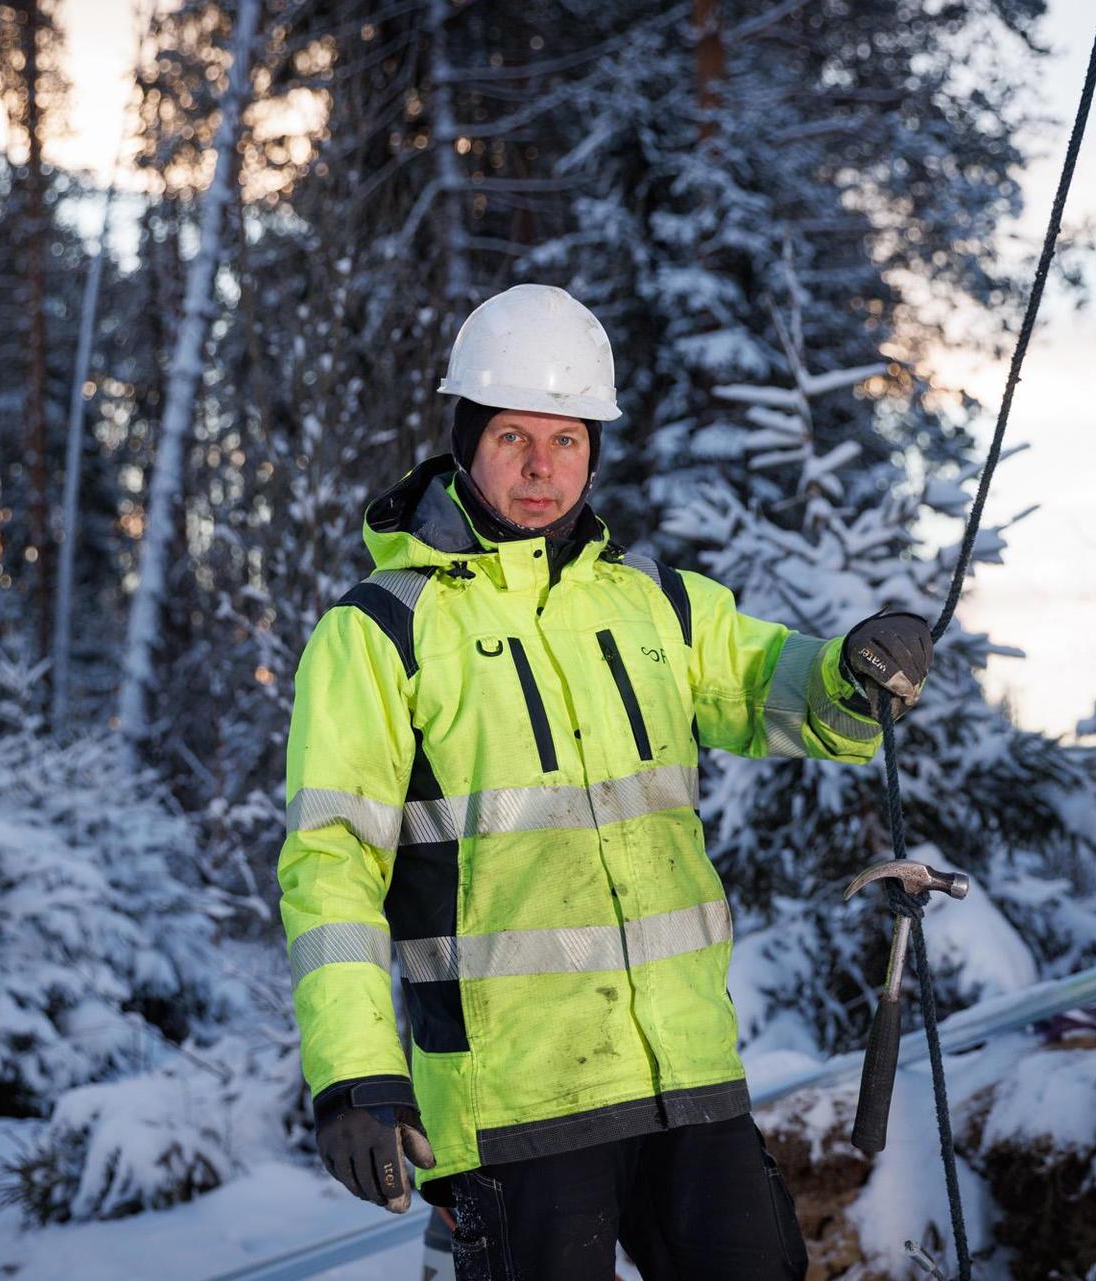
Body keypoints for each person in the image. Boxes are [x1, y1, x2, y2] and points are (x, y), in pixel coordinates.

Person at [277, 283, 934, 1280]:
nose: (543, 471)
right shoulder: (381, 631)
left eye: (569, 441)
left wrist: (854, 670)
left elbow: (777, 686)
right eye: (513, 439)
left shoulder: (656, 606)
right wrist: (355, 1075)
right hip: (513, 1105)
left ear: (596, 449)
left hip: (687, 1078)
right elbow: (330, 865)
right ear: (465, 441)